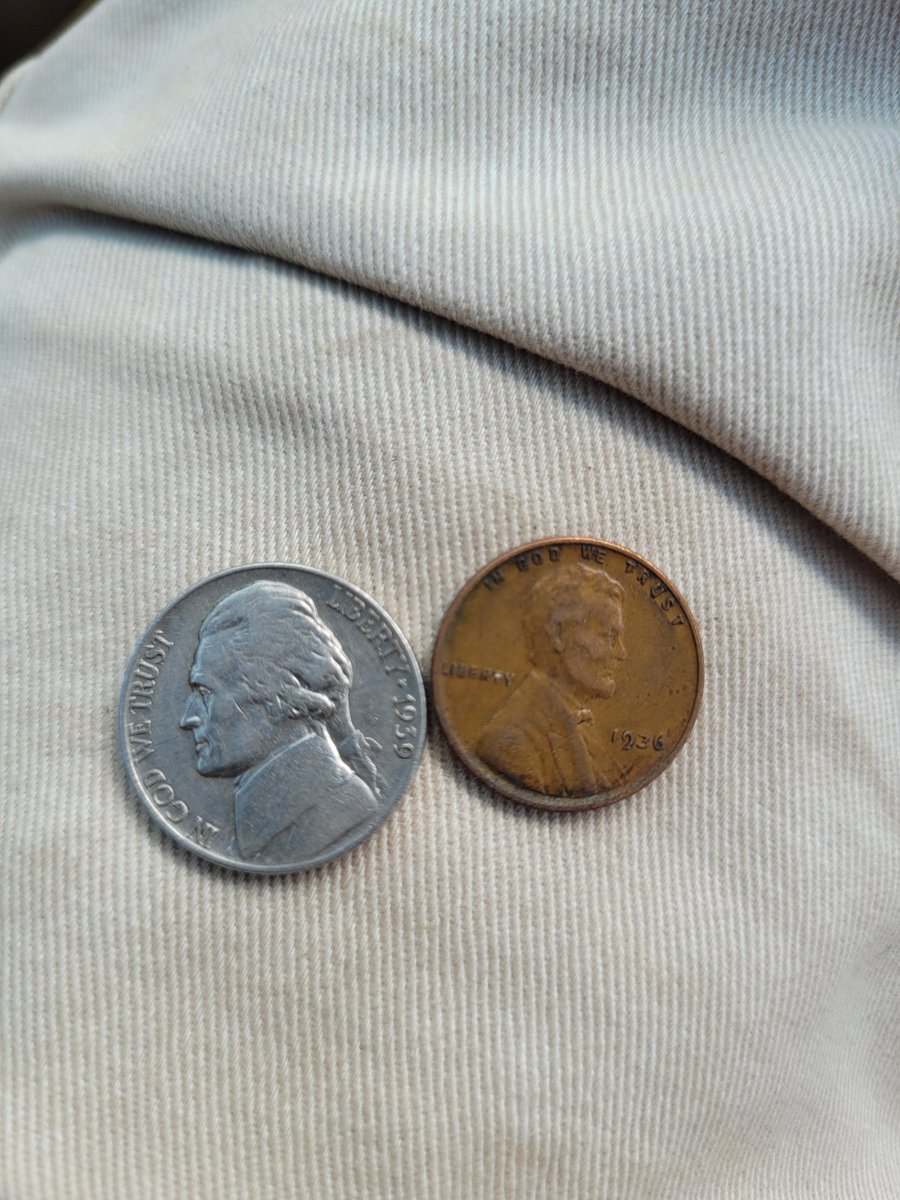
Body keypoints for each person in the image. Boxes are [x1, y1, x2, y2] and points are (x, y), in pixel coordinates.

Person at [180, 581, 379, 862]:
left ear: (280, 696)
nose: (187, 718)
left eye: (205, 692)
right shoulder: (280, 810)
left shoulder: (336, 812)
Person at [477, 563, 627, 796]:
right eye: (608, 636)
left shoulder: (580, 725)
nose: (621, 653)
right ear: (557, 634)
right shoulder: (509, 742)